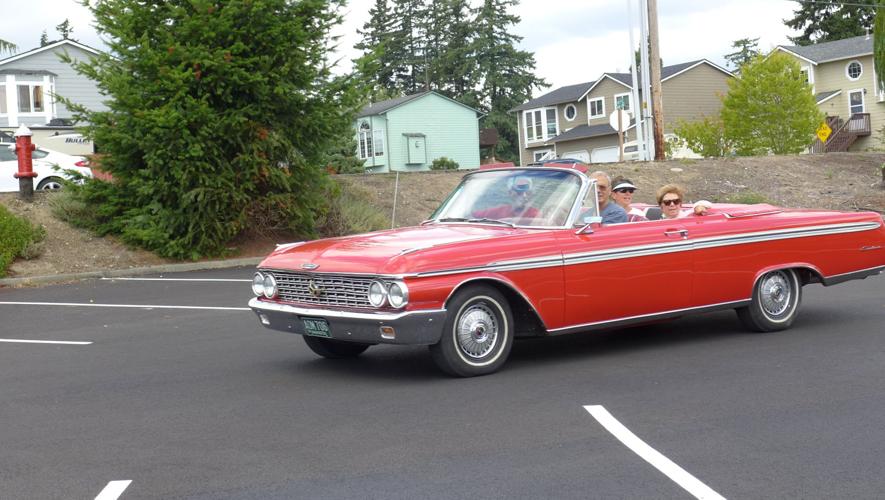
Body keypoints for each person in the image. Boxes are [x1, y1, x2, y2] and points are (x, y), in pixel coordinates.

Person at [472, 175, 541, 220]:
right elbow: (473, 216)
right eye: (519, 192)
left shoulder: (535, 213)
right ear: (510, 193)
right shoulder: (499, 211)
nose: (524, 195)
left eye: (528, 193)